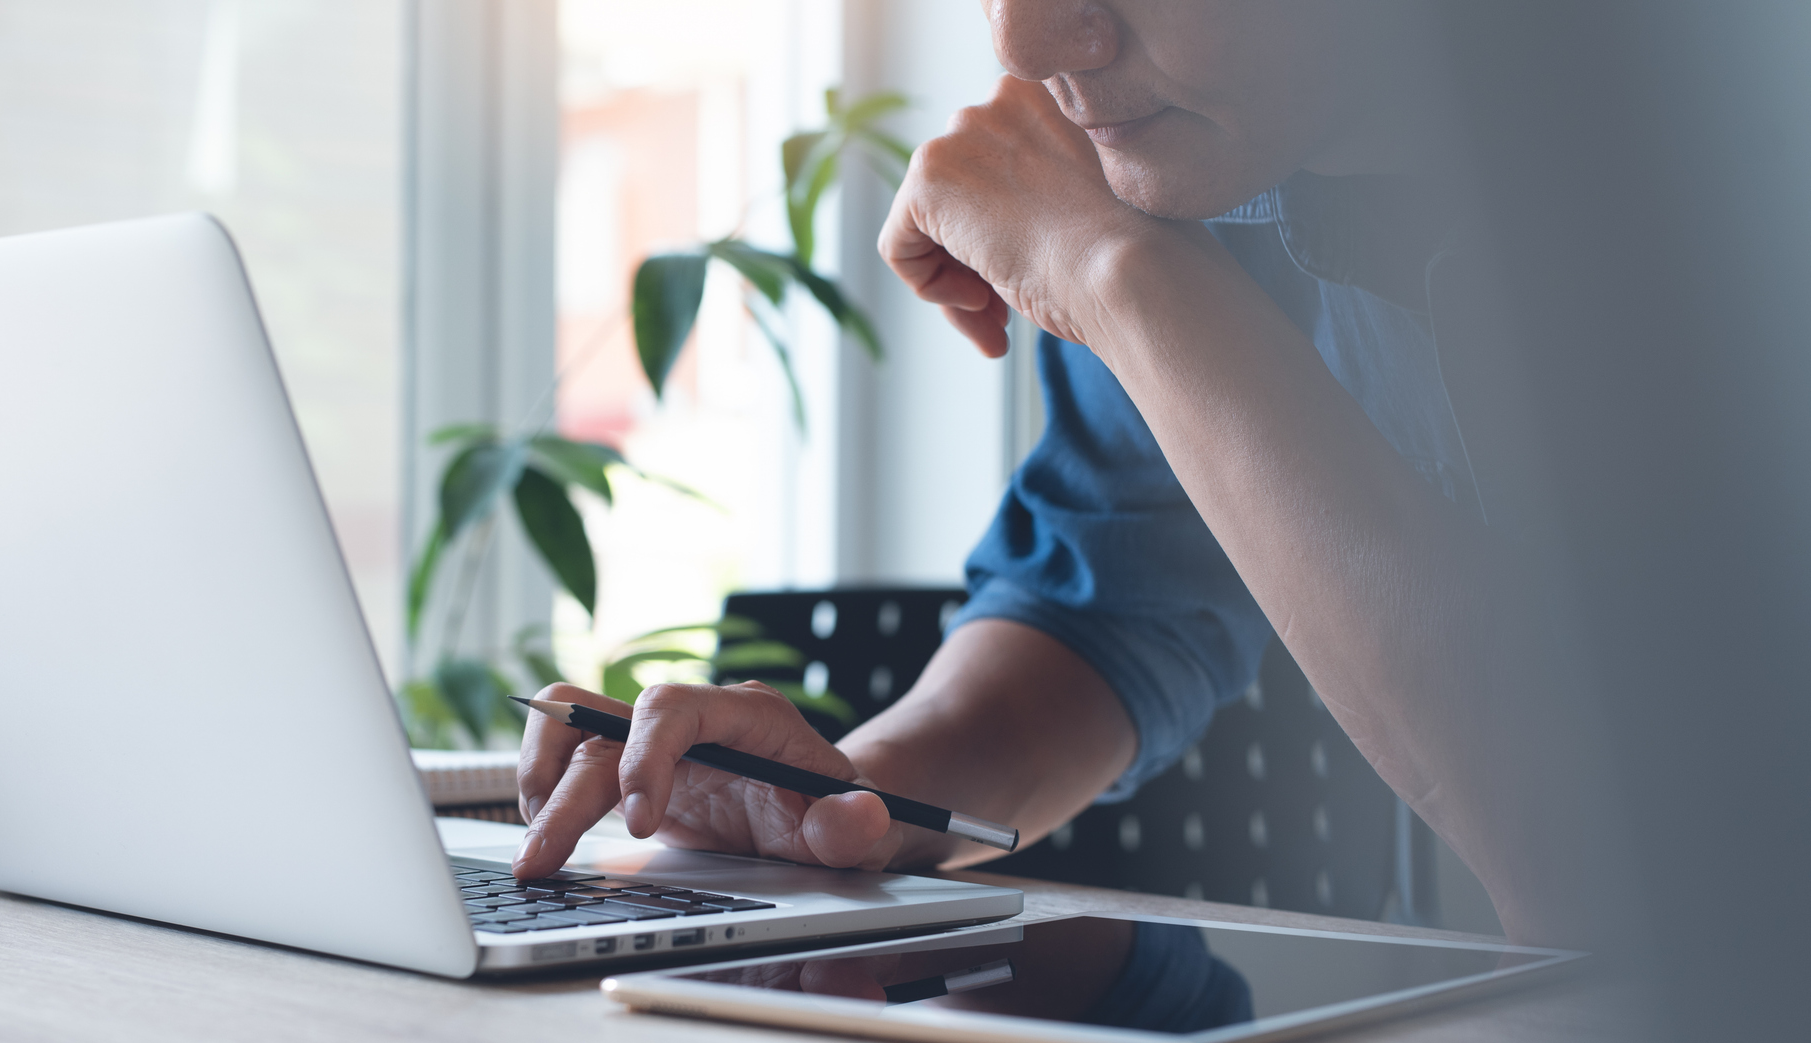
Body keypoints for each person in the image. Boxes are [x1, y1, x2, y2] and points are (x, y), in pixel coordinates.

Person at [516, 0, 1559, 944]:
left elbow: (1584, 863)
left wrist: (1121, 281)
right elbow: (1103, 613)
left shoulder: (1647, 186)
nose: (1019, 44)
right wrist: (842, 799)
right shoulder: (1209, 172)